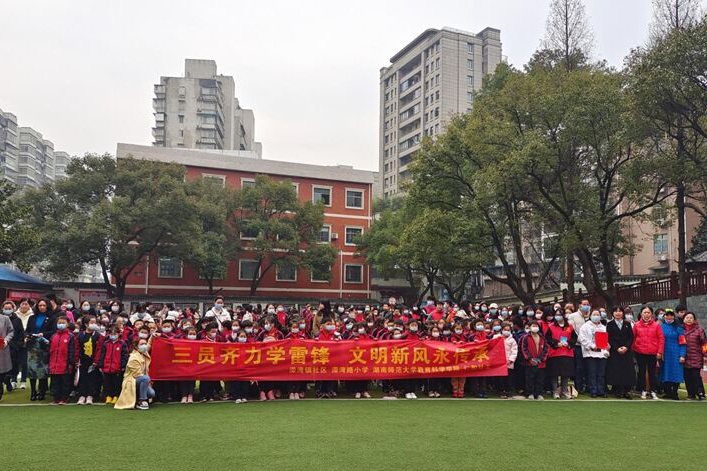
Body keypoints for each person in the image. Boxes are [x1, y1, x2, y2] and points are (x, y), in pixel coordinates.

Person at [24, 298, 53, 401]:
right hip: (32, 346)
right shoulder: (32, 317)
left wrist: (43, 334)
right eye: (40, 305)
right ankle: (33, 391)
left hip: (44, 346)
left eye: (44, 305)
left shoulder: (51, 318)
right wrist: (28, 335)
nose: (42, 307)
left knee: (43, 370)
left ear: (47, 306)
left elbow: (53, 331)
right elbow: (27, 330)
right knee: (32, 370)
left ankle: (42, 391)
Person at [632, 306, 664, 400]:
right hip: (640, 352)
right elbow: (633, 338)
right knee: (641, 372)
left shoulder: (656, 325)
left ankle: (653, 391)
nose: (646, 314)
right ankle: (643, 390)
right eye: (644, 312)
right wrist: (633, 349)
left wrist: (660, 352)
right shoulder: (636, 325)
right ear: (641, 314)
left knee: (652, 372)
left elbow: (661, 339)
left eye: (648, 312)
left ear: (651, 314)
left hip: (652, 352)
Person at [115, 338, 155, 410]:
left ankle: (137, 398)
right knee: (145, 378)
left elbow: (149, 345)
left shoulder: (143, 353)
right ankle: (142, 400)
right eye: (142, 344)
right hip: (132, 380)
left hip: (141, 379)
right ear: (136, 346)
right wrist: (148, 381)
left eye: (145, 344)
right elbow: (137, 374)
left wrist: (152, 336)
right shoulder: (133, 357)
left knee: (151, 393)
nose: (144, 346)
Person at [544, 310, 576, 399]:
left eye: (560, 314)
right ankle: (555, 391)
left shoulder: (569, 326)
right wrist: (556, 343)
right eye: (556, 314)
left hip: (567, 353)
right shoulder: (551, 326)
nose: (558, 316)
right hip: (554, 353)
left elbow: (574, 337)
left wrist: (569, 343)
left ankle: (564, 391)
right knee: (554, 374)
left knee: (566, 374)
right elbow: (547, 338)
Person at [605, 306, 635, 399]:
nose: (618, 313)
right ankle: (618, 390)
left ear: (623, 313)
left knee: (627, 370)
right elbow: (609, 338)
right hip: (615, 351)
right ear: (613, 313)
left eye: (620, 311)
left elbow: (631, 337)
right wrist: (617, 348)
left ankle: (626, 390)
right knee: (616, 370)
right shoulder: (610, 324)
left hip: (626, 351)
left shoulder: (627, 324)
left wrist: (626, 347)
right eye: (616, 311)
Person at [578, 310, 609, 398]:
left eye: (597, 314)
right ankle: (593, 390)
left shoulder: (603, 327)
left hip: (602, 353)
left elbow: (606, 340)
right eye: (594, 314)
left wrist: (607, 346)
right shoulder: (585, 326)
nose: (596, 316)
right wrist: (592, 345)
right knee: (592, 372)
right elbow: (582, 338)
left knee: (601, 373)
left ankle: (601, 390)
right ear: (590, 315)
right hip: (590, 353)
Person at [48, 315, 77, 405]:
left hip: (65, 364)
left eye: (63, 323)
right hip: (54, 364)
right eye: (59, 323)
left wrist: (71, 362)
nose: (61, 324)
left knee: (65, 382)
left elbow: (72, 350)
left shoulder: (70, 336)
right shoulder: (53, 336)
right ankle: (55, 398)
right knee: (55, 382)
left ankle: (64, 398)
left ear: (67, 324)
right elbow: (50, 350)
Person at [98, 326, 129, 404]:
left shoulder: (122, 343)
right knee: (107, 383)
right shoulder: (106, 343)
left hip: (117, 368)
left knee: (117, 383)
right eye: (111, 334)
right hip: (107, 367)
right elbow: (102, 355)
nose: (113, 335)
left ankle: (116, 396)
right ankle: (108, 396)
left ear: (118, 334)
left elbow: (125, 355)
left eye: (115, 334)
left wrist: (123, 365)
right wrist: (101, 365)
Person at [659, 310, 686, 400]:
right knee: (665, 372)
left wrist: (682, 355)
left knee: (676, 373)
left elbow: (683, 343)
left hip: (675, 353)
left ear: (674, 317)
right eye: (667, 315)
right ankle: (668, 392)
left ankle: (674, 392)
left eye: (671, 315)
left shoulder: (679, 328)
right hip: (665, 353)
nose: (669, 317)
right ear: (664, 317)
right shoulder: (661, 327)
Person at [681, 312, 706, 400]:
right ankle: (691, 394)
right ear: (683, 319)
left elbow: (704, 343)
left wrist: (705, 354)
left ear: (694, 320)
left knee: (696, 376)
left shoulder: (699, 330)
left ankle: (700, 393)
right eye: (687, 318)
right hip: (685, 357)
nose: (689, 320)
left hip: (696, 356)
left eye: (691, 318)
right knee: (687, 377)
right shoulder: (680, 330)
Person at [521, 320, 548, 400]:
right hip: (530, 363)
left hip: (540, 362)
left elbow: (546, 348)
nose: (535, 327)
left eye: (536, 326)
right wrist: (529, 359)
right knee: (530, 379)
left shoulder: (542, 337)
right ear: (529, 327)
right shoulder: (526, 337)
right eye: (533, 326)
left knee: (540, 379)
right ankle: (530, 393)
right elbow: (524, 349)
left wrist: (542, 359)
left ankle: (539, 393)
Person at [0, 303, 15, 402]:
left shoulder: (5, 319)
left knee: (1, 372)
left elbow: (11, 331)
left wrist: (6, 340)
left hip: (2, 348)